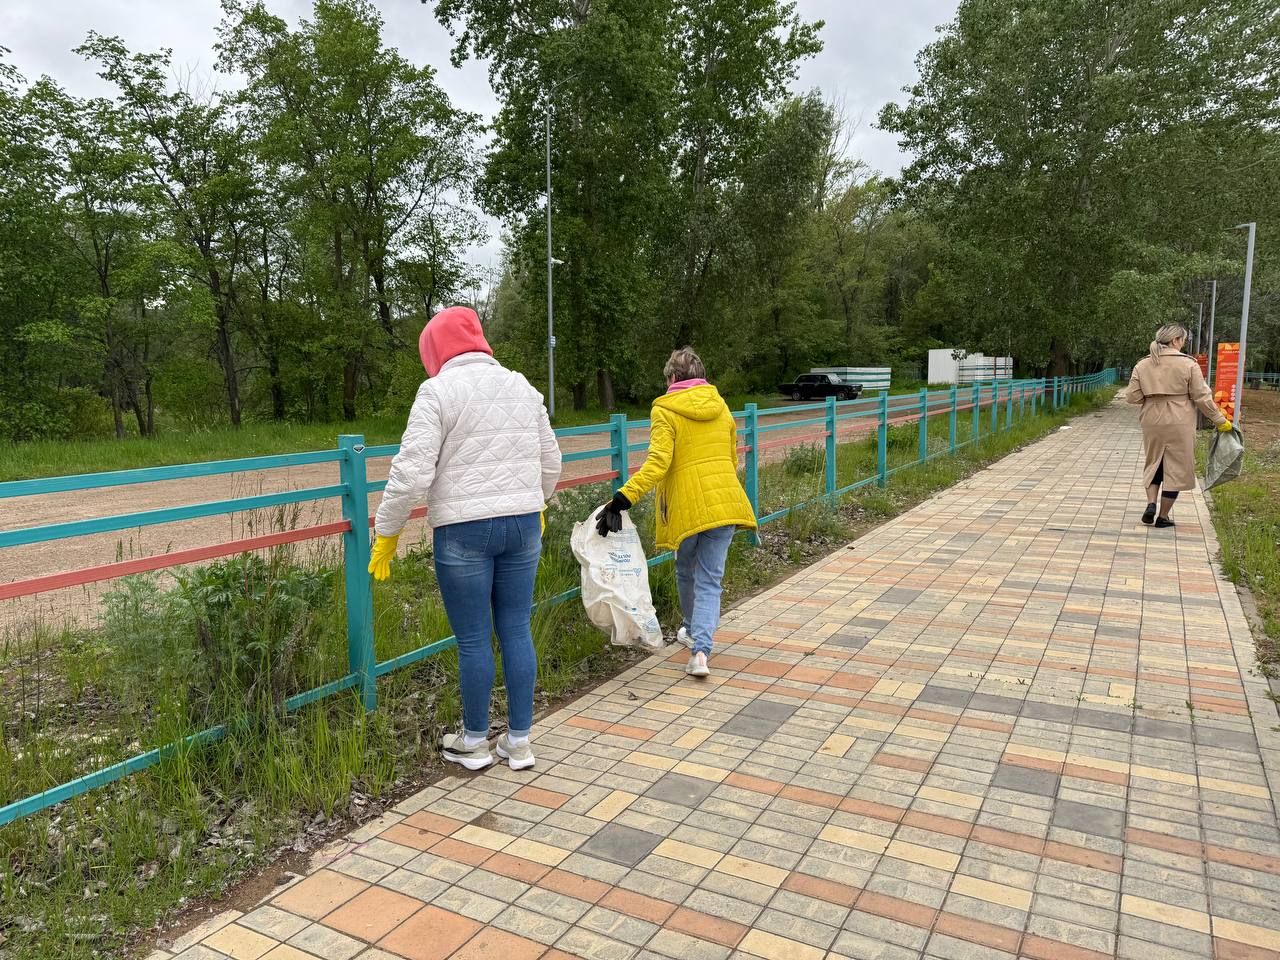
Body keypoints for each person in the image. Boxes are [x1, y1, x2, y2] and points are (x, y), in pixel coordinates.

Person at [368, 306, 561, 772]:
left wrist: (387, 532)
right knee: (516, 628)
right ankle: (519, 742)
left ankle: (474, 741)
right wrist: (535, 502)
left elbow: (411, 474)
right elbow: (551, 461)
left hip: (463, 529)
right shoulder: (522, 385)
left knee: (474, 639)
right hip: (522, 525)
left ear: (434, 350)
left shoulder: (436, 392)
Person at [596, 348, 757, 677]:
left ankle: (693, 632)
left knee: (686, 570)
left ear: (672, 377)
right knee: (710, 580)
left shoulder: (665, 409)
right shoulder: (721, 407)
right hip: (726, 503)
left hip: (687, 509)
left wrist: (622, 499)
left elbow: (658, 463)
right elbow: (732, 460)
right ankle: (700, 651)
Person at [1126, 323, 1231, 528]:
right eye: (1183, 340)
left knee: (1153, 461)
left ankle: (1150, 504)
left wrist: (1152, 396)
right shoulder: (1188, 364)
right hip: (1180, 419)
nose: (1183, 344)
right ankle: (1163, 516)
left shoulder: (1143, 364)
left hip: (1151, 419)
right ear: (1175, 340)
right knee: (1176, 467)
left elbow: (1132, 397)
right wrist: (1220, 420)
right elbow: (1202, 397)